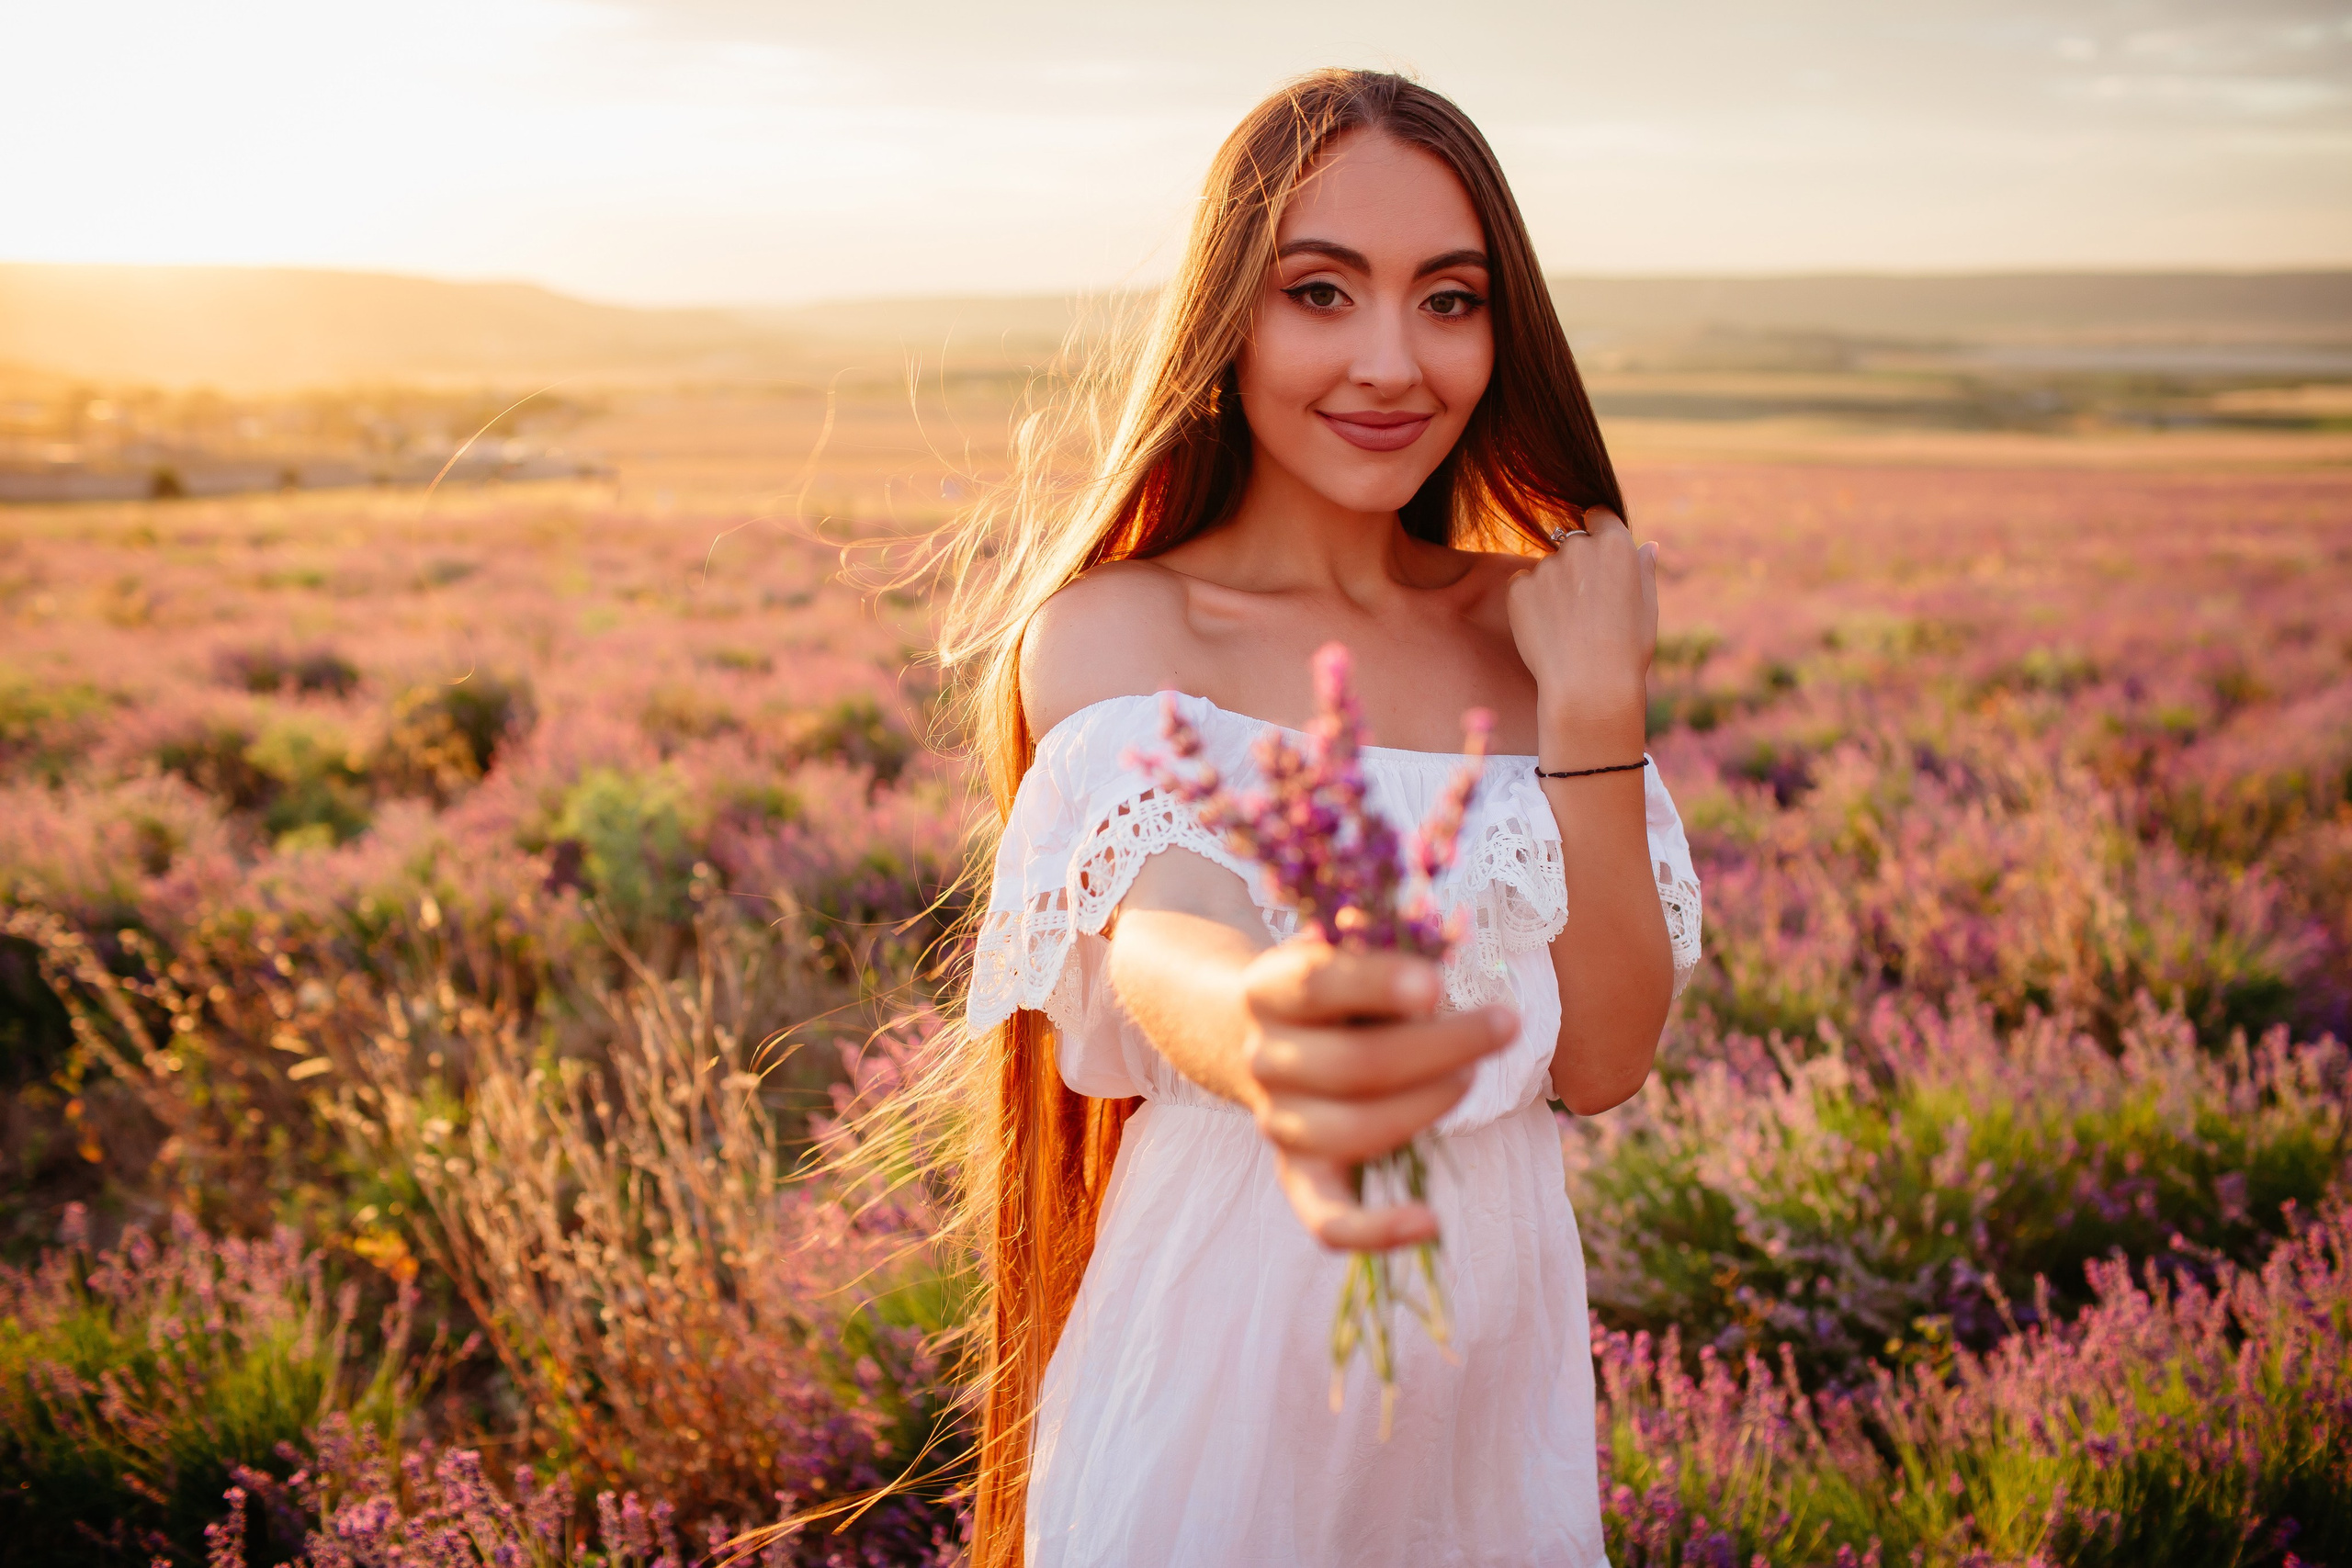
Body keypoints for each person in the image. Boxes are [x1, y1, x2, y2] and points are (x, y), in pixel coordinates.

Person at [937, 67, 1702, 1568]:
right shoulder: (1122, 625)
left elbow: (1606, 1059)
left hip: (1496, 1371)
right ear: (1232, 316)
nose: (1393, 361)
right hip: (1230, 1340)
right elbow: (1162, 931)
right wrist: (1277, 1023)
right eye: (1323, 292)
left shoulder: (1531, 629)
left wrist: (1597, 711)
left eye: (1450, 299)